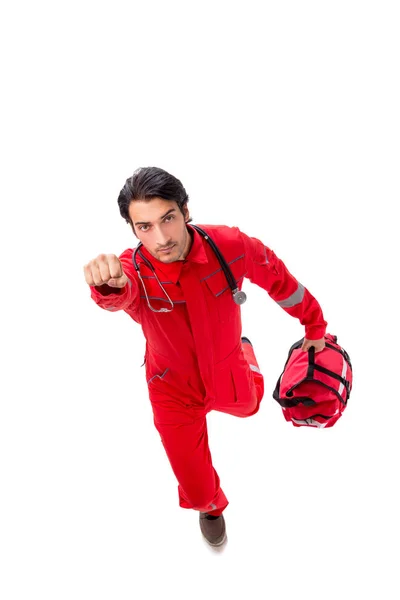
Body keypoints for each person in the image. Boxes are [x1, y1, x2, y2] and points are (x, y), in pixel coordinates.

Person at [83, 166, 327, 547]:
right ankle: (211, 505)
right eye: (144, 227)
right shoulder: (132, 270)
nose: (161, 237)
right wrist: (106, 284)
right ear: (132, 230)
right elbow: (119, 292)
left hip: (227, 370)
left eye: (168, 219)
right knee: (197, 493)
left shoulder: (230, 246)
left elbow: (281, 281)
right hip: (172, 389)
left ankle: (247, 352)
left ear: (186, 211)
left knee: (252, 406)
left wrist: (314, 326)